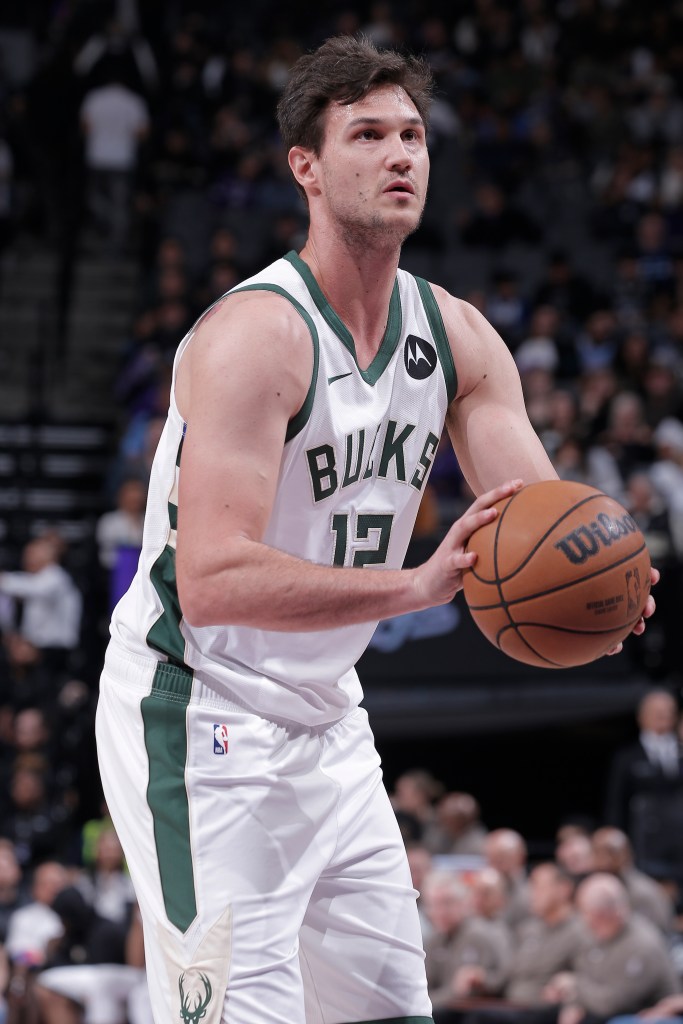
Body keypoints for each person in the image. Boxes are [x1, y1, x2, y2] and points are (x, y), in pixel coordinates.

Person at [95, 34, 656, 1024]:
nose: (399, 156)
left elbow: (535, 527)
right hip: (200, 714)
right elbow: (213, 578)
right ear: (305, 167)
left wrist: (602, 585)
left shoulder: (457, 336)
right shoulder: (252, 339)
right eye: (365, 135)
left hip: (328, 717)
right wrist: (411, 585)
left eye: (410, 135)